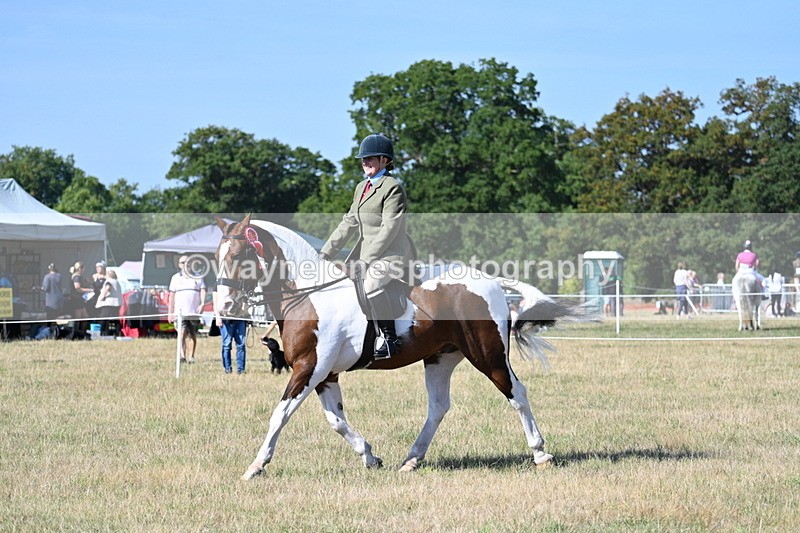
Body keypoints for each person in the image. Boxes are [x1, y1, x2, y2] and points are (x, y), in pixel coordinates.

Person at [319, 133, 415, 359]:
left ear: (384, 160)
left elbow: (389, 229)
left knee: (371, 283)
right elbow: (348, 223)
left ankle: (390, 339)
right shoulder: (362, 187)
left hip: (391, 254)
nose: (365, 162)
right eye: (363, 158)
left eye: (370, 158)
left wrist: (366, 261)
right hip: (366, 254)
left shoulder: (392, 187)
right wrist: (325, 253)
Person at [168, 255, 207, 363]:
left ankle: (191, 356)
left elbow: (203, 290)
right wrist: (170, 312)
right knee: (181, 333)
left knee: (192, 334)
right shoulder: (175, 278)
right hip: (180, 312)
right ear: (179, 265)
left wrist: (202, 303)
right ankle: (182, 356)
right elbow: (171, 296)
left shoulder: (198, 276)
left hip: (194, 312)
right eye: (182, 262)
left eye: (187, 262)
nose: (185, 264)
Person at [214, 290, 248, 374]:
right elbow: (215, 302)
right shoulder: (219, 285)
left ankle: (241, 370)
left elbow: (245, 300)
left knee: (241, 345)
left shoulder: (241, 285)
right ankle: (227, 369)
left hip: (240, 318)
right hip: (225, 319)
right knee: (226, 345)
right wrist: (217, 317)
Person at [95, 269, 123, 334]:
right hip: (117, 303)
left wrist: (103, 296)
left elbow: (108, 287)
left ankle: (103, 332)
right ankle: (118, 332)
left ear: (108, 275)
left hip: (109, 303)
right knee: (115, 319)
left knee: (104, 318)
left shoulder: (109, 281)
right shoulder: (116, 282)